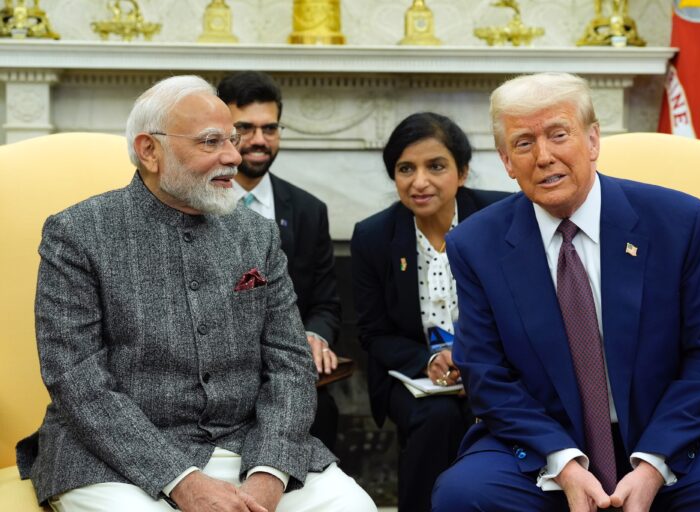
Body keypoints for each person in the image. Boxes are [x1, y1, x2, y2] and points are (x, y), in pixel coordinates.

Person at [16, 75, 376, 512]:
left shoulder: (256, 234)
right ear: (150, 150)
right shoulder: (77, 234)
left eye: (231, 138)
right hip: (112, 457)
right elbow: (76, 379)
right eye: (211, 142)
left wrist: (270, 473)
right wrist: (181, 481)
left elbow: (290, 364)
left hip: (247, 445)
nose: (232, 156)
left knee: (352, 506)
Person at [431, 72, 700, 511]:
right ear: (507, 161)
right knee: (463, 496)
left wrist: (652, 467)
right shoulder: (476, 244)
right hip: (545, 438)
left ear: (592, 140)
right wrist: (565, 465)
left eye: (559, 134)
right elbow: (486, 372)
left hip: (674, 431)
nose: (544, 156)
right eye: (524, 143)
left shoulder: (677, 222)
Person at [351, 112, 509, 512]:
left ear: (462, 171)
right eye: (406, 169)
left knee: (486, 408)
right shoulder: (373, 236)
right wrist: (430, 359)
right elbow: (372, 333)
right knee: (436, 416)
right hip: (414, 377)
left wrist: (474, 359)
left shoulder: (500, 218)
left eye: (435, 166)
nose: (419, 182)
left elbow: (522, 312)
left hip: (492, 367)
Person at [217, 71, 342, 452]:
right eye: (245, 128)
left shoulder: (308, 210)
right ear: (223, 129)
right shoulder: (192, 202)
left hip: (287, 372)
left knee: (326, 412)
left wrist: (315, 336)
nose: (259, 140)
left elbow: (326, 303)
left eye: (270, 128)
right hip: (213, 377)